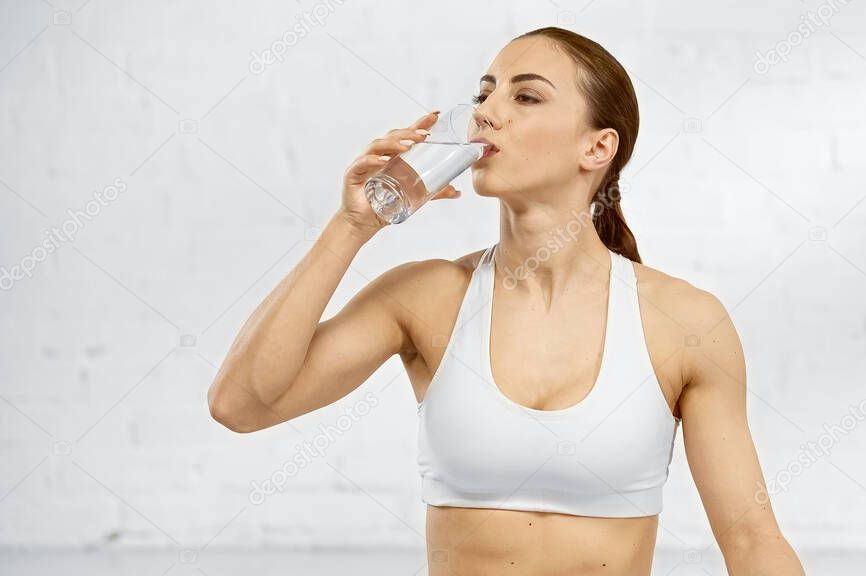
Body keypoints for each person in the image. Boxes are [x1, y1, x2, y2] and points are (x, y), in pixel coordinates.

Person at [208, 26, 804, 576]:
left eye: (525, 98)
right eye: (485, 94)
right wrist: (351, 226)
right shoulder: (424, 298)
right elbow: (241, 405)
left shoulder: (683, 322)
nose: (484, 114)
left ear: (597, 148)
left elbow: (751, 539)